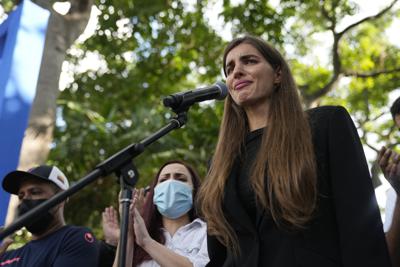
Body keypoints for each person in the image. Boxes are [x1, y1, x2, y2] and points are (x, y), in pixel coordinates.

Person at [197, 35, 391, 266]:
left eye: (249, 61)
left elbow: (360, 227)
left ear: (278, 74)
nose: (236, 71)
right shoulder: (218, 163)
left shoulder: (326, 125)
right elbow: (219, 254)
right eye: (229, 68)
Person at [103, 160, 209, 267]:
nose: (170, 184)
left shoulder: (207, 233)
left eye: (181, 179)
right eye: (163, 180)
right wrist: (128, 230)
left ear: (194, 191)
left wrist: (146, 242)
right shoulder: (140, 236)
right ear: (154, 194)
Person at [0, 165, 99, 267]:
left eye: (35, 192)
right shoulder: (6, 257)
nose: (25, 199)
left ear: (61, 198)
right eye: (21, 196)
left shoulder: (75, 239)